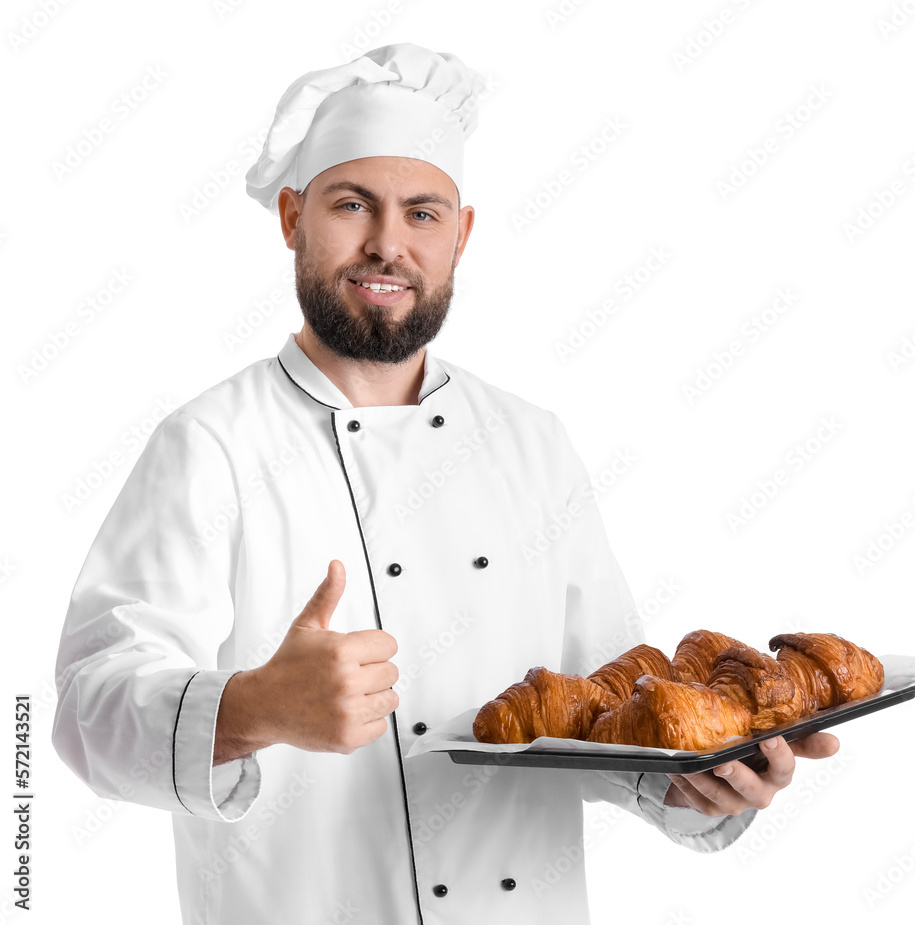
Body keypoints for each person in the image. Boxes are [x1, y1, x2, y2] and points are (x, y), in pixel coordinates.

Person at [51, 42, 838, 925]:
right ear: (290, 217)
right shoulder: (209, 444)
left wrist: (703, 781)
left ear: (459, 234)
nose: (389, 244)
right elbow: (87, 712)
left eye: (422, 213)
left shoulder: (531, 445)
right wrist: (248, 707)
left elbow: (608, 710)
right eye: (353, 205)